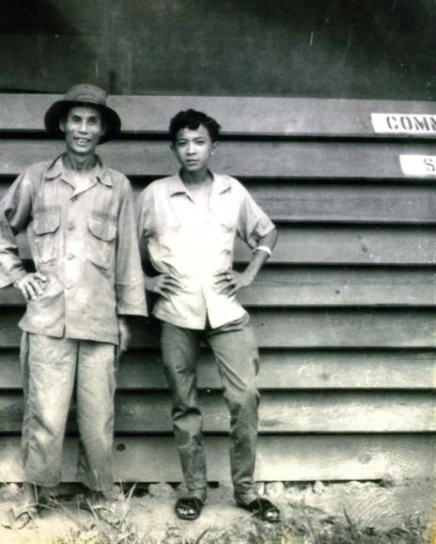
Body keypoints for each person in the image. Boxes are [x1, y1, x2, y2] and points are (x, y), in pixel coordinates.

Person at [0, 83, 147, 529]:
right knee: (45, 414)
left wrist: (125, 318)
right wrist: (19, 275)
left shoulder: (117, 186)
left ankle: (100, 493)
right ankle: (34, 494)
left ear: (103, 130)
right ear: (62, 124)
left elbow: (128, 256)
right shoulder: (37, 177)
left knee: (98, 418)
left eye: (92, 121)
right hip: (47, 318)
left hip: (99, 320)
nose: (83, 128)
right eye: (75, 119)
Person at [137, 109, 280, 523]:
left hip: (225, 309)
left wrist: (249, 272)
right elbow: (125, 249)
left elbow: (266, 231)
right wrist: (146, 285)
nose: (191, 150)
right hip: (176, 311)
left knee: (244, 397)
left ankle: (247, 491)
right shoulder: (154, 195)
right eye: (182, 143)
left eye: (199, 142)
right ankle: (194, 490)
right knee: (184, 403)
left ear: (213, 147)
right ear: (173, 148)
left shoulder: (232, 191)